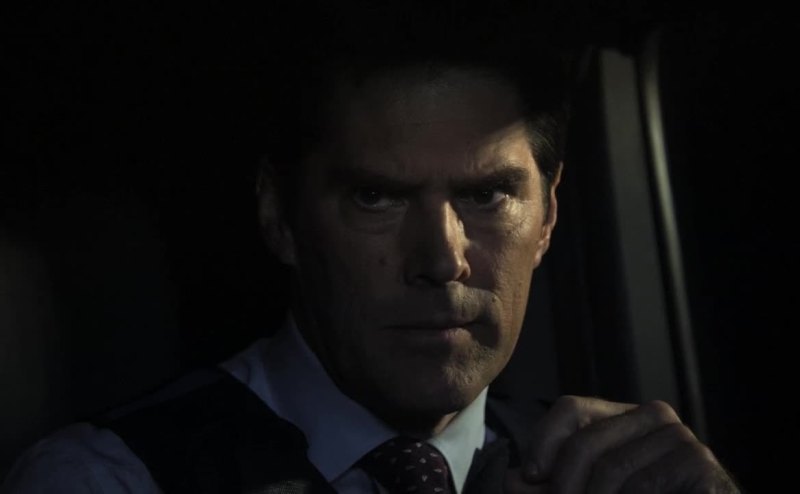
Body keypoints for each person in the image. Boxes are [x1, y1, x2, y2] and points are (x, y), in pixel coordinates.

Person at [2, 10, 741, 494]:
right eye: (376, 198)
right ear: (280, 217)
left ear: (547, 215)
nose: (441, 260)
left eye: (487, 196)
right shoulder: (111, 477)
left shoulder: (604, 472)